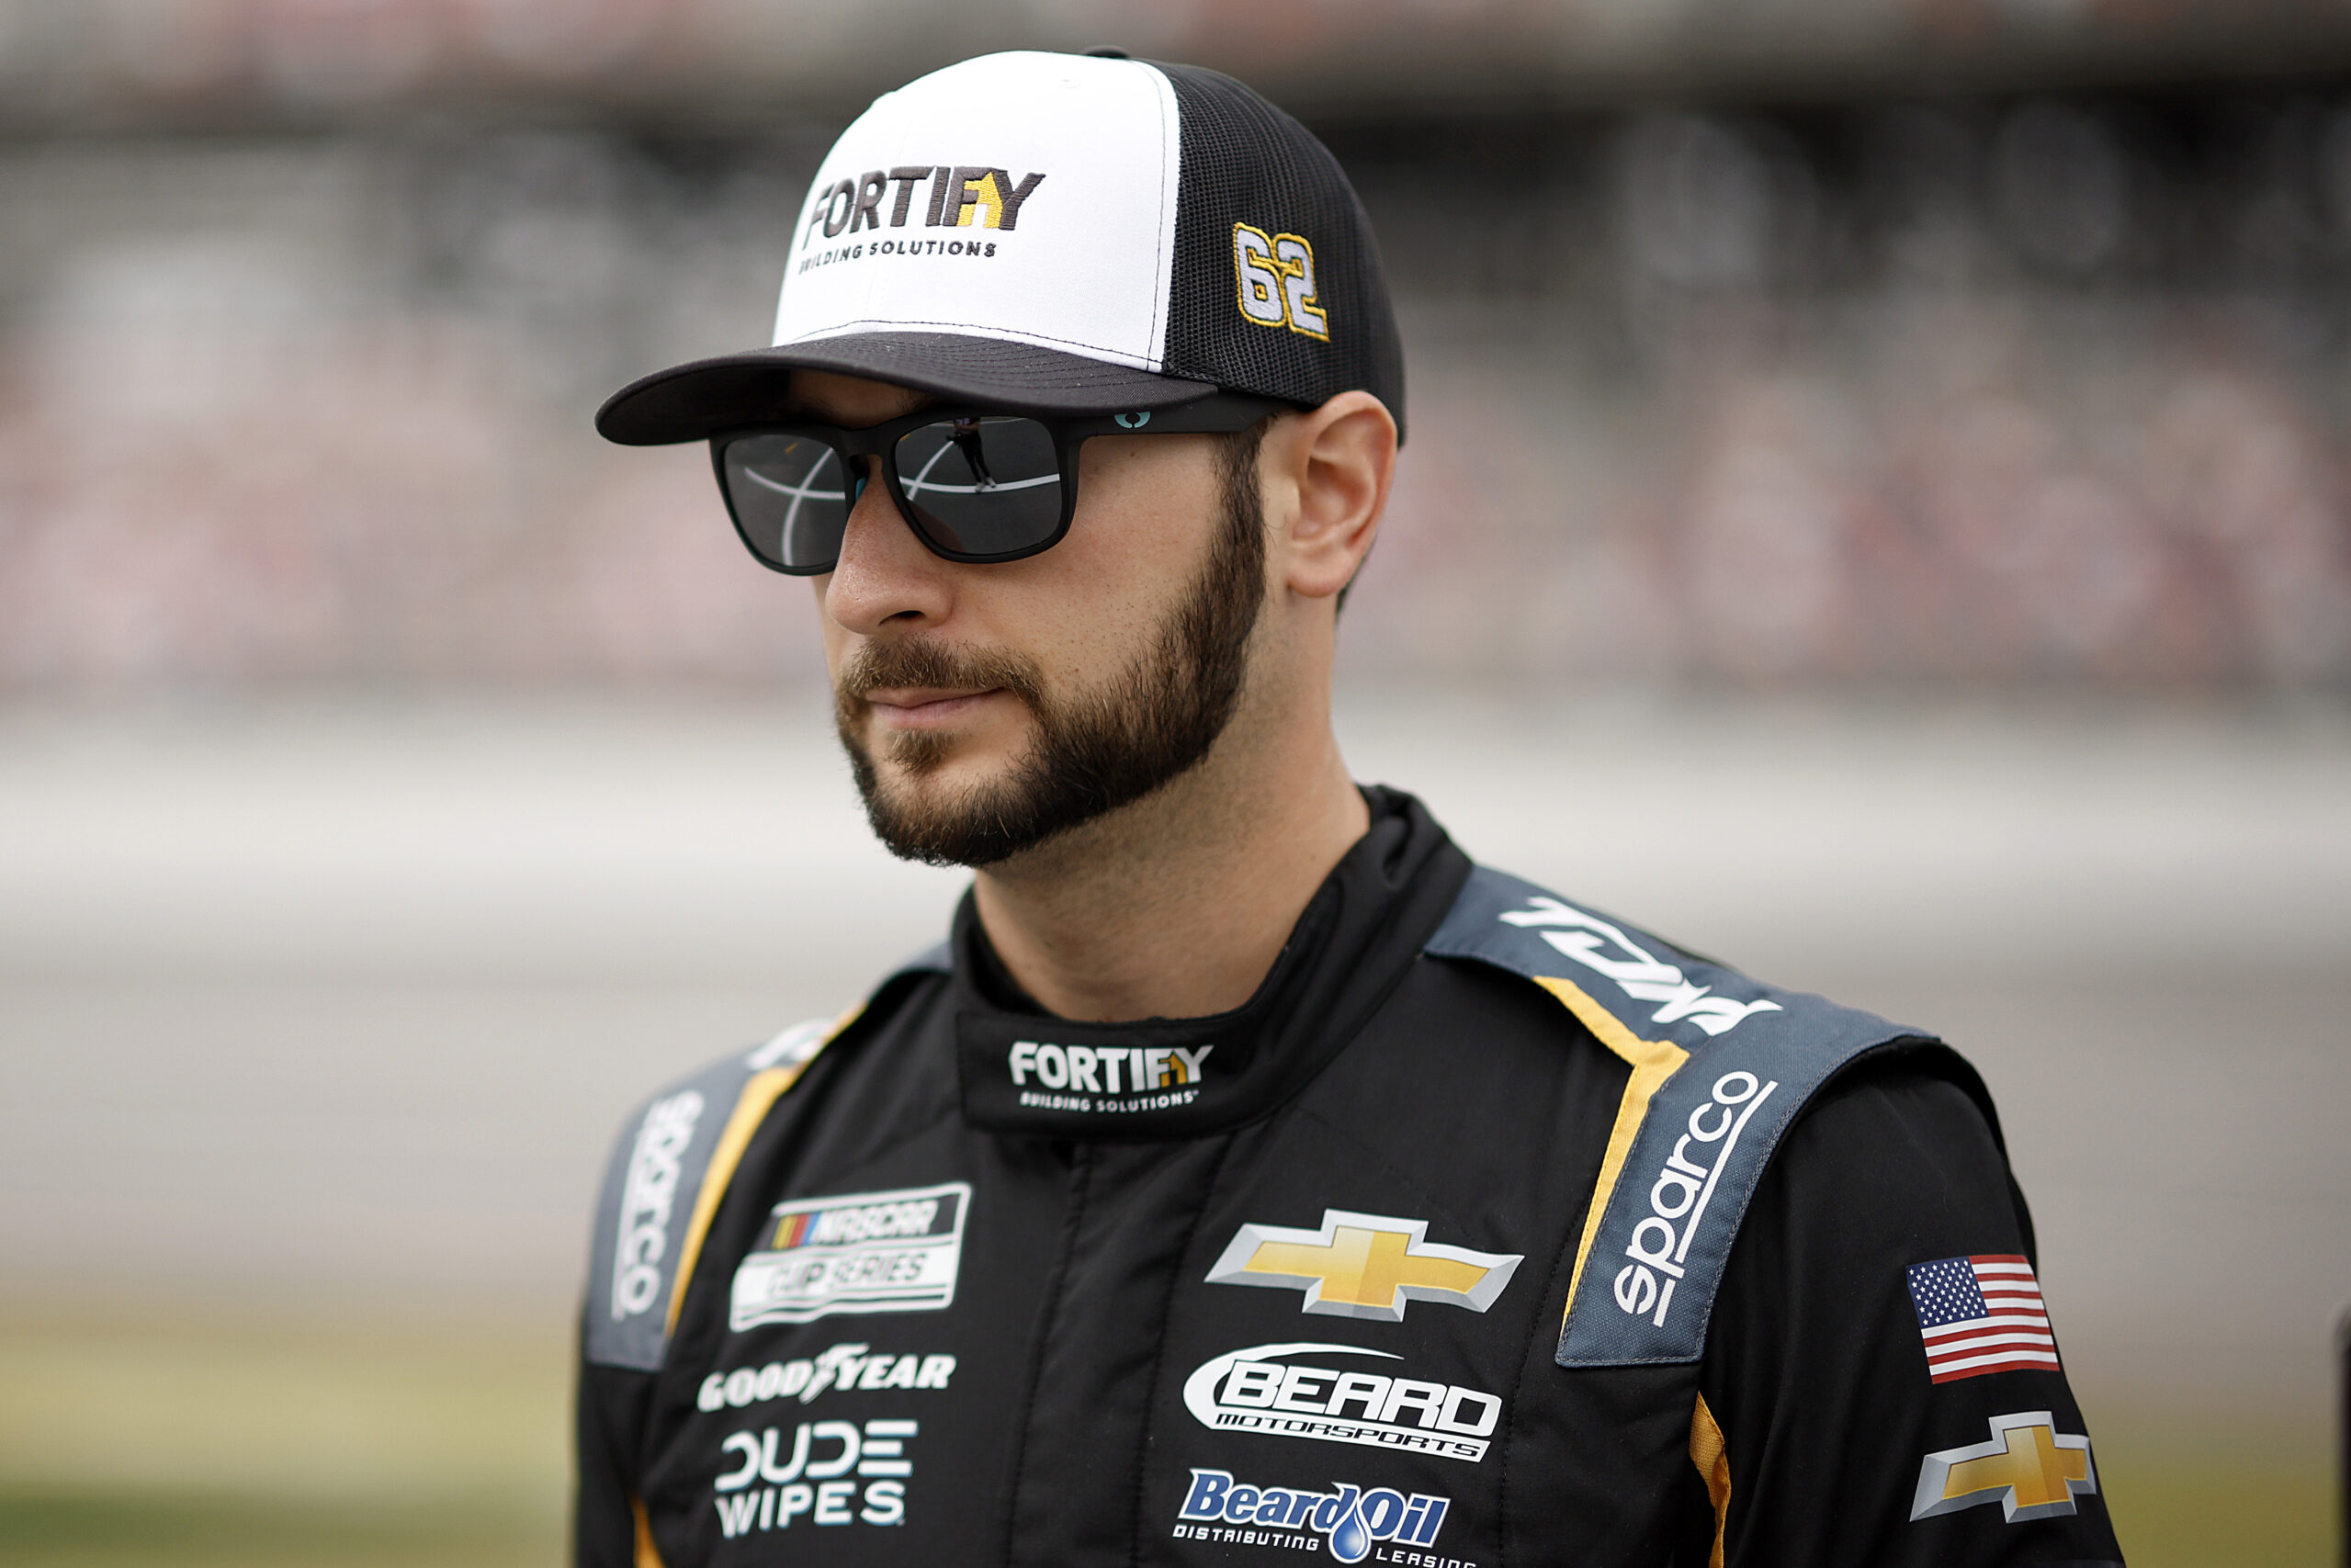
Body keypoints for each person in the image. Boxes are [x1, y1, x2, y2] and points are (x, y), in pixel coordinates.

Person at [578, 49, 2124, 1568]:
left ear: (1324, 497)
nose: (866, 582)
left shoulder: (1782, 1177)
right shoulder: (699, 1195)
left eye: (982, 461)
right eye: (802, 472)